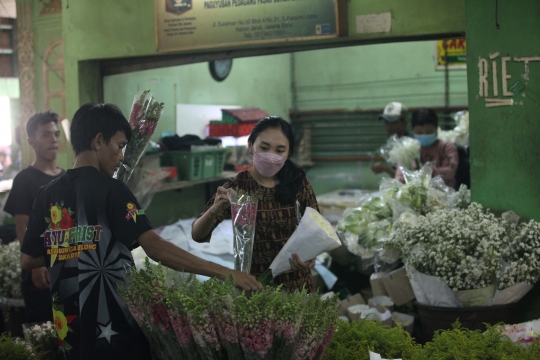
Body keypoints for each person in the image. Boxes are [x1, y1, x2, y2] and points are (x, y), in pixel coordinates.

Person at [20, 103, 261, 360]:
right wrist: (226, 272)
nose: (122, 156)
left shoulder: (47, 194)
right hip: (117, 330)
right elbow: (155, 248)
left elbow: (28, 259)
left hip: (70, 333)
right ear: (99, 141)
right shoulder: (111, 190)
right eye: (120, 145)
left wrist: (69, 245)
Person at [192, 116, 319, 293]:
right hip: (254, 286)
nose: (271, 156)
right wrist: (213, 211)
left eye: (280, 150)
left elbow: (316, 228)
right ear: (251, 145)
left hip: (297, 284)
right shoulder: (237, 187)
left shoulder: (297, 181)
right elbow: (197, 234)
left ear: (288, 153)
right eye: (264, 148)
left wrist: (310, 256)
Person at [4, 111, 65, 324]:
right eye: (46, 135)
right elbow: (22, 225)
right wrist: (35, 265)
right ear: (32, 141)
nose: (54, 140)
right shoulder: (24, 180)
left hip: (65, 265)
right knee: (44, 329)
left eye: (56, 134)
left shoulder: (66, 178)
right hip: (40, 267)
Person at [395, 108, 459, 188]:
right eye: (419, 133)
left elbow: (450, 172)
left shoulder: (446, 147)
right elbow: (399, 176)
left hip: (443, 194)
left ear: (436, 129)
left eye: (428, 132)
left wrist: (422, 172)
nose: (424, 135)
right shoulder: (408, 149)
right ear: (413, 130)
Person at [371, 102, 413, 177]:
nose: (389, 126)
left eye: (393, 122)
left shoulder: (411, 145)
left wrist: (385, 168)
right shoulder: (394, 143)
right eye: (386, 122)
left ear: (405, 122)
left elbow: (410, 176)